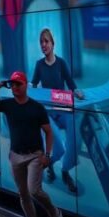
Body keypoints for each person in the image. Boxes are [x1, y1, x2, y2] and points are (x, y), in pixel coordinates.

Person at [0, 70, 66, 217]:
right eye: (13, 84)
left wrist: (47, 155)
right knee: (23, 194)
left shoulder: (36, 107)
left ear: (26, 85)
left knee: (35, 191)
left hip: (35, 155)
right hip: (16, 156)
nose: (15, 87)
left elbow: (48, 132)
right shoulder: (8, 104)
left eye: (19, 83)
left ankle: (54, 213)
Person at [30, 28, 82, 192]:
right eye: (41, 42)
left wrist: (77, 91)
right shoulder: (39, 65)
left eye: (46, 41)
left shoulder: (61, 63)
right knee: (58, 147)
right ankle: (50, 164)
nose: (43, 45)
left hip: (64, 110)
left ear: (53, 43)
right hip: (48, 113)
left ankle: (65, 171)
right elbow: (33, 85)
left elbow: (71, 84)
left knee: (75, 135)